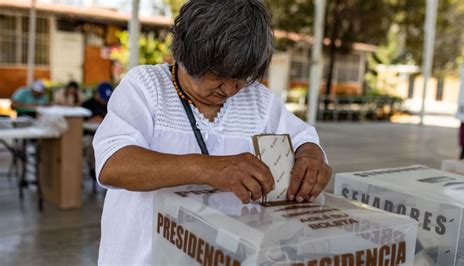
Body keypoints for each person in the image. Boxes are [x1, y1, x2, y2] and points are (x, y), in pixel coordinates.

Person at [93, 0, 332, 264]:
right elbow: (113, 164)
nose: (230, 90)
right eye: (218, 75)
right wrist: (207, 168)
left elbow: (302, 138)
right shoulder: (146, 88)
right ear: (185, 55)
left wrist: (311, 157)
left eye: (241, 77)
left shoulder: (259, 101)